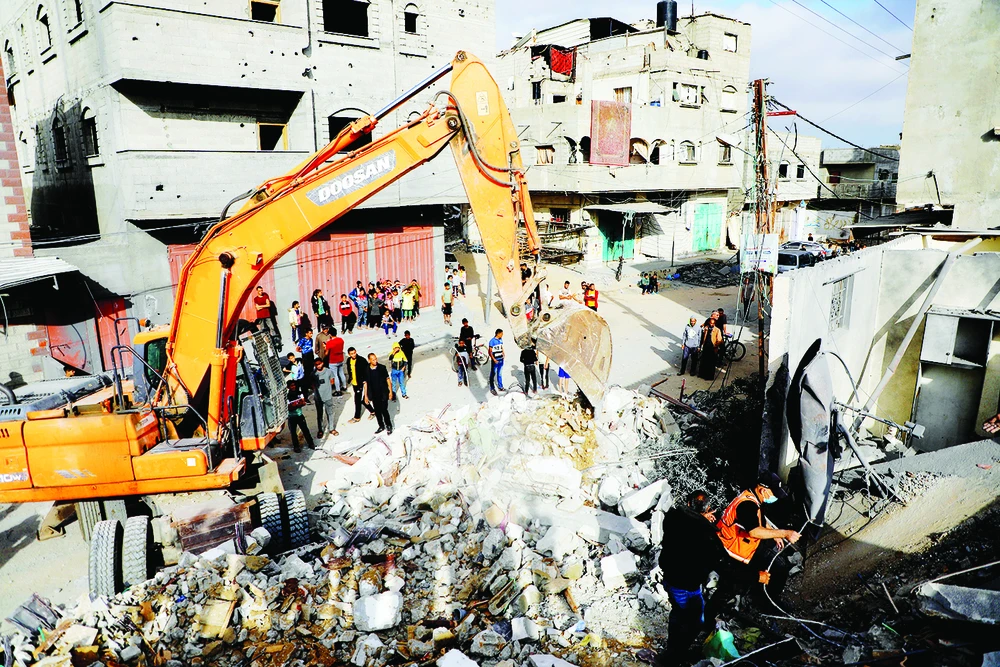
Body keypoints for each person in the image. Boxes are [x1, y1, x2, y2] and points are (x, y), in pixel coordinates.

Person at [656, 491, 726, 667]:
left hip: (670, 576)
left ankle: (672, 650)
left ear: (688, 503)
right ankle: (674, 657)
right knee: (694, 621)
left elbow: (686, 524)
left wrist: (701, 518)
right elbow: (717, 558)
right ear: (707, 509)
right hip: (686, 584)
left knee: (678, 612)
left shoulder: (672, 517)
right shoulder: (706, 533)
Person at [714, 483, 801, 615]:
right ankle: (713, 614)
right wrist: (784, 533)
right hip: (733, 551)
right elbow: (754, 531)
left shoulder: (752, 497)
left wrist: (774, 533)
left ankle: (767, 598)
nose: (775, 497)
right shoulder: (747, 505)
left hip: (745, 544)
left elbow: (757, 519)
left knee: (779, 566)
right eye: (774, 493)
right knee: (733, 586)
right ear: (763, 490)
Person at [363, 353, 393, 435]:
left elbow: (388, 380)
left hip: (383, 393)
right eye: (373, 359)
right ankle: (381, 426)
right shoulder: (366, 370)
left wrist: (390, 391)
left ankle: (389, 425)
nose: (375, 361)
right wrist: (366, 396)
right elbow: (365, 384)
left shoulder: (382, 368)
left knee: (384, 410)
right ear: (369, 360)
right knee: (377, 411)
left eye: (376, 359)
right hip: (373, 394)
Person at [345, 347, 375, 423]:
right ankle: (372, 411)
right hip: (354, 382)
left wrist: (365, 381)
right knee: (360, 400)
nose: (354, 355)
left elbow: (367, 371)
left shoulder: (362, 360)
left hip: (361, 382)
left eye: (354, 353)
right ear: (349, 354)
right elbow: (350, 370)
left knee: (358, 400)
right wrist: (350, 379)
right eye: (351, 353)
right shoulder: (349, 360)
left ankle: (357, 417)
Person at [312, 359, 339, 438]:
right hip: (318, 398)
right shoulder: (313, 374)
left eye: (319, 364)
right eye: (316, 365)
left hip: (328, 396)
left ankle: (331, 428)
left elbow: (332, 381)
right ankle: (320, 430)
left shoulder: (328, 371)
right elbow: (312, 385)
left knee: (330, 413)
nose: (318, 366)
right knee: (319, 414)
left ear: (322, 363)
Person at [285, 380, 315, 453]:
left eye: (294, 385)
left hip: (299, 415)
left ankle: (311, 443)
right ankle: (296, 446)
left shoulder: (299, 393)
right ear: (288, 387)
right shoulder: (287, 396)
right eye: (291, 386)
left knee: (305, 430)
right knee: (293, 433)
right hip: (291, 417)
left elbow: (303, 403)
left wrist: (295, 405)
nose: (293, 387)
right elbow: (289, 407)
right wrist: (298, 404)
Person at [698, 316, 722, 381]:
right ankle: (702, 374)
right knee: (704, 361)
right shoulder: (706, 328)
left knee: (711, 363)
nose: (711, 324)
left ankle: (709, 377)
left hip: (712, 348)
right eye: (711, 323)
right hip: (706, 347)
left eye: (713, 323)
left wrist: (715, 345)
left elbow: (719, 340)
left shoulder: (717, 330)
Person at [325, 328, 346, 396]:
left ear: (330, 334)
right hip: (340, 359)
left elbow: (326, 353)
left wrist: (325, 346)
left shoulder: (329, 343)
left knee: (335, 376)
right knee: (341, 373)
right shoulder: (341, 340)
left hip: (333, 361)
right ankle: (344, 386)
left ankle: (338, 390)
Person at [488, 328, 505, 396]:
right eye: (501, 334)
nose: (502, 335)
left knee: (499, 374)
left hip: (501, 359)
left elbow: (501, 347)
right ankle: (492, 388)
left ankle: (500, 386)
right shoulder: (492, 341)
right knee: (493, 373)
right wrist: (493, 359)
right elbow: (490, 351)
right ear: (498, 334)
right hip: (495, 360)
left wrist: (503, 353)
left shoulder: (500, 340)